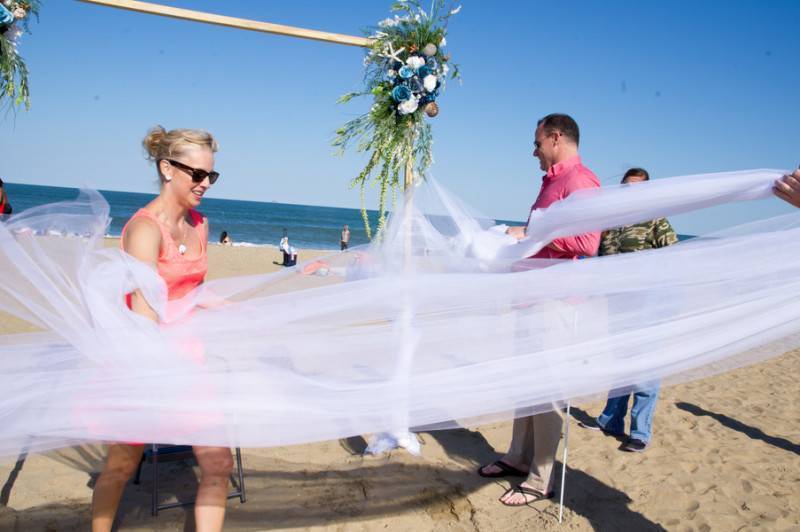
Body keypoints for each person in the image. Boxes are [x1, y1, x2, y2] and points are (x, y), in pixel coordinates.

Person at [91, 126, 233, 532]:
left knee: (218, 464)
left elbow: (193, 292)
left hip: (192, 360)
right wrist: (166, 372)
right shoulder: (144, 230)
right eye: (198, 174)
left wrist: (244, 310)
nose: (205, 184)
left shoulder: (201, 224)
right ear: (167, 168)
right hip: (145, 363)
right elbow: (145, 313)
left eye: (211, 176)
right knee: (120, 466)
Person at [478, 113, 601, 506]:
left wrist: (529, 233)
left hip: (556, 301)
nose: (533, 152)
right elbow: (546, 236)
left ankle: (539, 477)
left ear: (555, 138)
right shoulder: (552, 181)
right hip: (532, 297)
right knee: (526, 383)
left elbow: (586, 242)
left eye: (536, 143)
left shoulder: (581, 180)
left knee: (547, 390)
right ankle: (517, 457)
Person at [577, 167, 678, 452]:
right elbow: (600, 259)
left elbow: (675, 255)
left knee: (644, 369)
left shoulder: (654, 220)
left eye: (637, 187)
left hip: (649, 304)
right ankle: (610, 420)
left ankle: (640, 432)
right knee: (621, 364)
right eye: (626, 187)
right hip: (617, 304)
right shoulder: (611, 222)